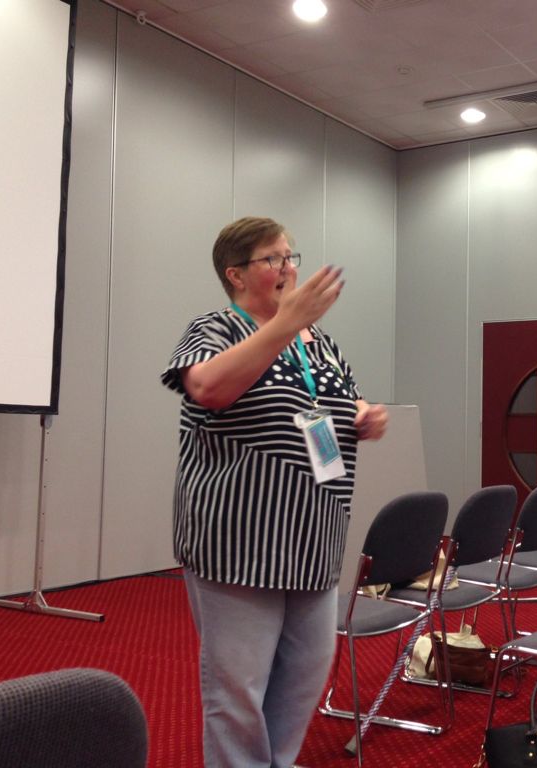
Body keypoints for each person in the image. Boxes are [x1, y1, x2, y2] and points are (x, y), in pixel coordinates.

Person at [161, 216, 388, 768]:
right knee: (238, 685)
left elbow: (338, 400)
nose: (289, 267)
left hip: (313, 535)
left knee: (306, 671)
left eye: (291, 256)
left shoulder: (320, 342)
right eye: (273, 258)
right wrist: (286, 323)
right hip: (240, 539)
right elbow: (208, 387)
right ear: (235, 274)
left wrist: (363, 414)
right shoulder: (215, 328)